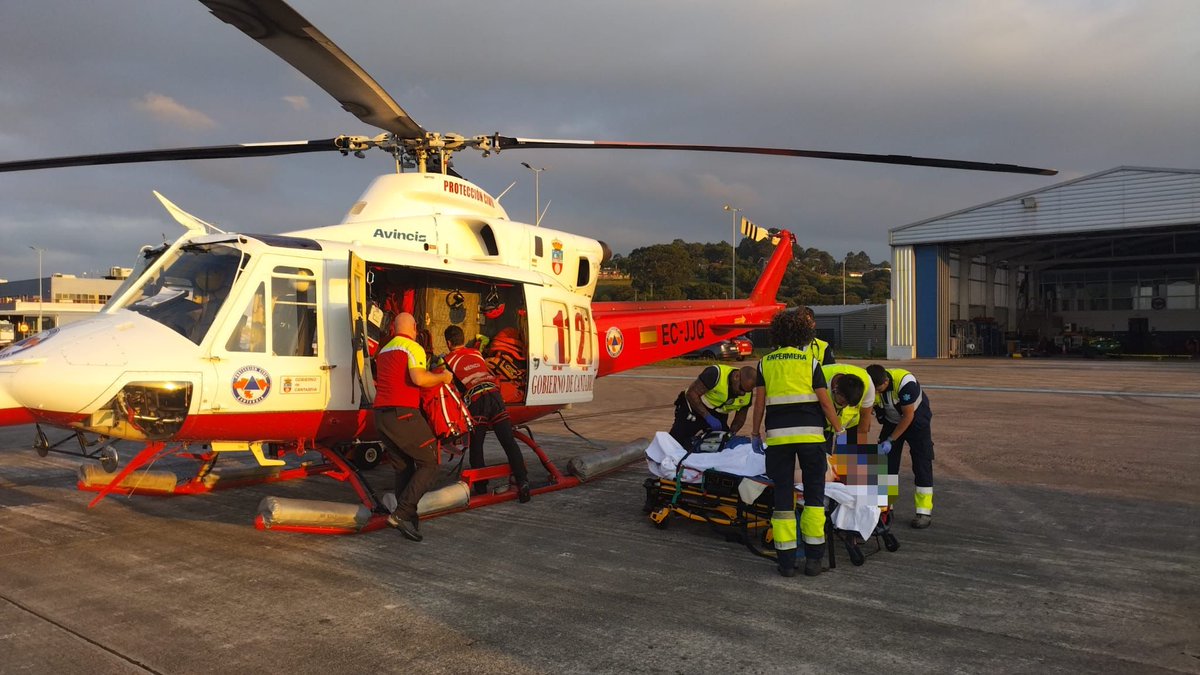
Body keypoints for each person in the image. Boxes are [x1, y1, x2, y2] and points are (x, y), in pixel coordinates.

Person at [750, 308, 845, 577]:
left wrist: (755, 432)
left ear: (777, 333)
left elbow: (759, 403)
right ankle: (814, 560)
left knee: (782, 497)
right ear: (804, 335)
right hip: (811, 438)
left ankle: (786, 562)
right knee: (814, 496)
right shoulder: (810, 362)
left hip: (779, 440)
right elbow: (825, 402)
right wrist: (838, 428)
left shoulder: (765, 363)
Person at [374, 312, 454, 542]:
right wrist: (442, 378)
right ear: (414, 327)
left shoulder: (384, 350)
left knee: (404, 467)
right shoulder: (412, 347)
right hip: (403, 413)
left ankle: (408, 519)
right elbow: (419, 379)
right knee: (429, 462)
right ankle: (400, 514)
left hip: (381, 417)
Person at [443, 325, 531, 503]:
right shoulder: (476, 353)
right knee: (508, 441)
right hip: (495, 396)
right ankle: (523, 482)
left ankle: (481, 488)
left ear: (448, 343)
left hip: (477, 401)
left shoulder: (447, 360)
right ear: (463, 339)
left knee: (477, 444)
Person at [866, 364, 935, 529]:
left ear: (886, 381)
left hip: (916, 422)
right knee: (885, 465)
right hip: (892, 422)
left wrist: (891, 439)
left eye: (878, 389)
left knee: (922, 464)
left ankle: (923, 512)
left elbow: (908, 415)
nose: (876, 393)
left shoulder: (905, 382)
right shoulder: (869, 385)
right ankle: (884, 509)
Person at [668, 364, 757, 447]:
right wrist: (707, 417)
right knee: (676, 441)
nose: (742, 393)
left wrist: (731, 433)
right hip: (693, 407)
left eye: (746, 391)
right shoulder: (715, 374)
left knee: (719, 445)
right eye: (741, 389)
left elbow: (740, 418)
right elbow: (692, 394)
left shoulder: (746, 392)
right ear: (736, 377)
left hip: (717, 415)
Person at [822, 363, 872, 445]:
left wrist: (861, 451)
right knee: (822, 455)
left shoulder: (868, 384)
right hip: (822, 424)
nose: (845, 406)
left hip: (850, 425)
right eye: (843, 402)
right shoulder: (818, 378)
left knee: (849, 455)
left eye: (849, 405)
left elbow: (864, 422)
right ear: (835, 390)